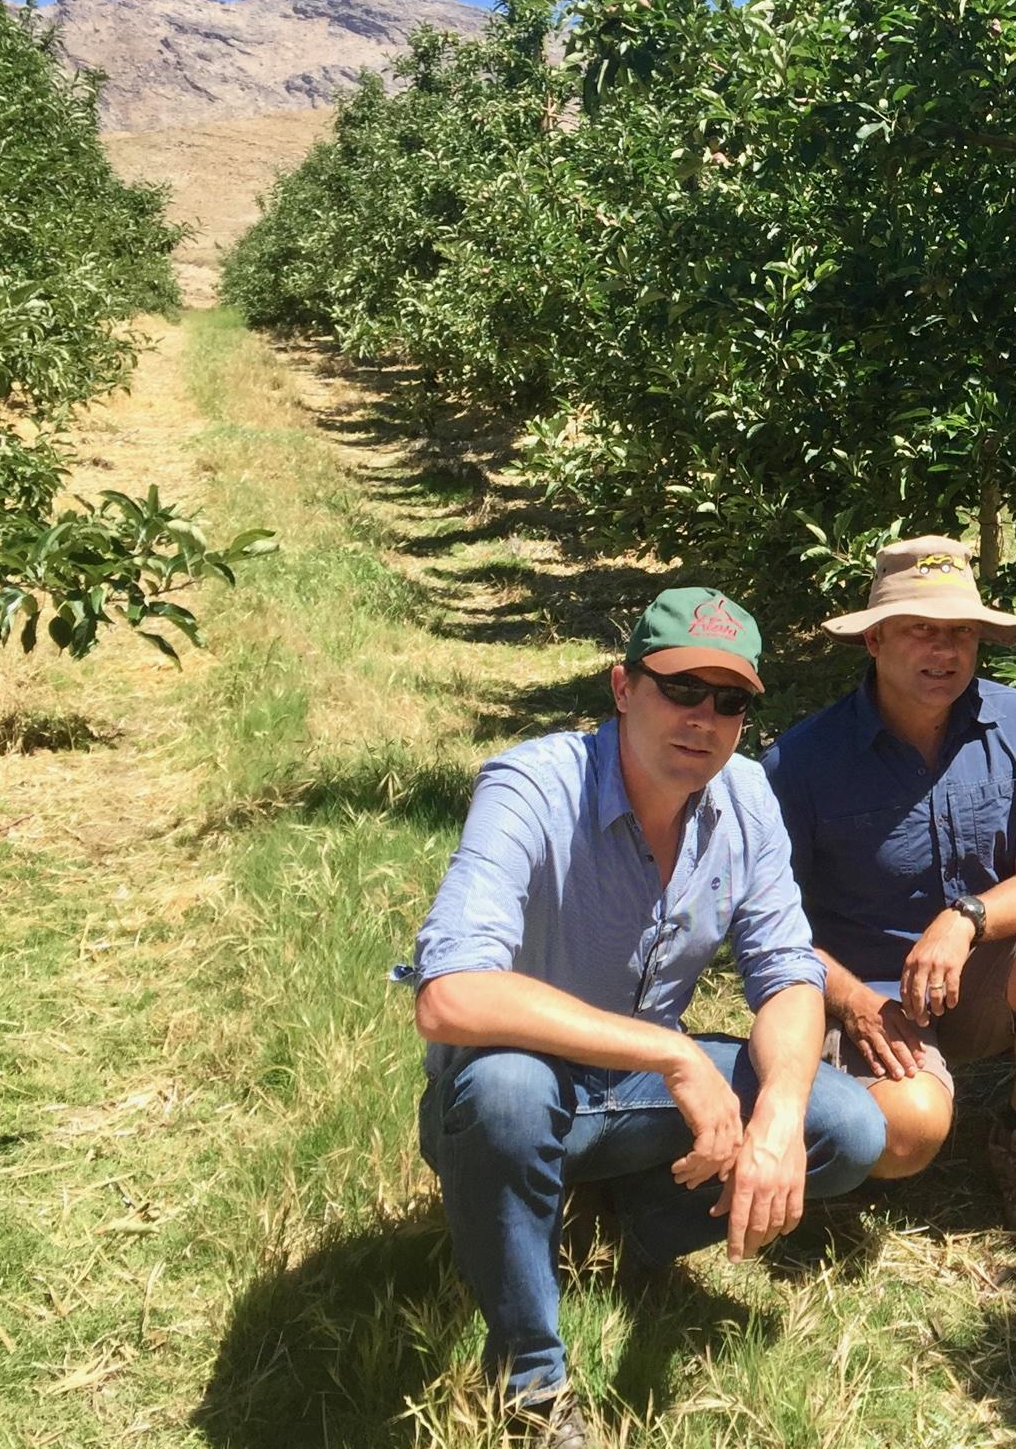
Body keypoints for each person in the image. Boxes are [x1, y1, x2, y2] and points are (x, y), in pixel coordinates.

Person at [401, 587, 886, 1447]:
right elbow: (451, 997)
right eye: (680, 689)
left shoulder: (745, 799)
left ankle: (616, 1240)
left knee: (841, 1125)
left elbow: (788, 975)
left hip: (623, 1098)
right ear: (623, 688)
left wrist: (771, 1121)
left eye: (729, 700)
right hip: (507, 1090)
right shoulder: (532, 785)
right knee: (511, 1092)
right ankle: (529, 1384)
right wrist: (671, 1052)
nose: (703, 717)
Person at [763, 536, 1016, 1239]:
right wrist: (854, 1002)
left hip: (977, 973)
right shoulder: (801, 760)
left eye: (960, 633)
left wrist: (964, 921)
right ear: (874, 640)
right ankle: (838, 1103)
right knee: (907, 1136)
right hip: (866, 990)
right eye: (920, 630)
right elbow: (768, 924)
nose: (944, 650)